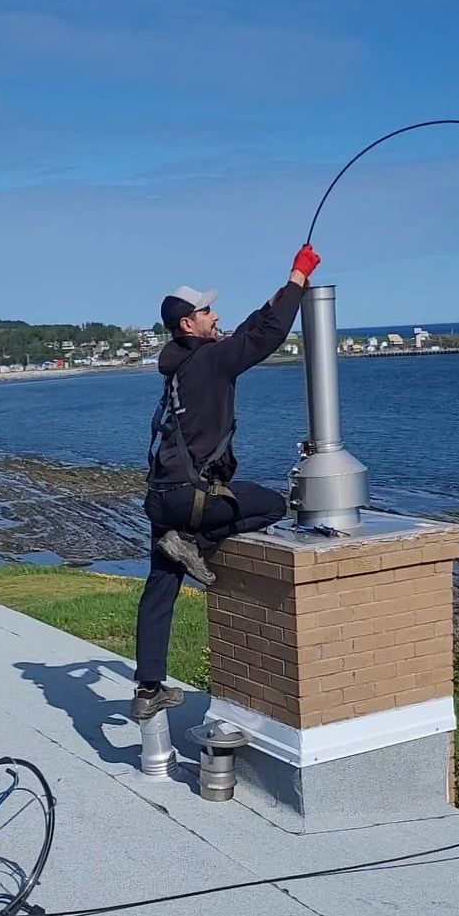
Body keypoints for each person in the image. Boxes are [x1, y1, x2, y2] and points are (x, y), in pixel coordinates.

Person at [131, 243, 321, 721]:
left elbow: (256, 324)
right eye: (206, 311)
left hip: (161, 495)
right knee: (274, 505)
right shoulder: (210, 362)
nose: (215, 316)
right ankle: (193, 537)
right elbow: (269, 335)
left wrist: (282, 292)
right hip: (192, 500)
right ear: (187, 325)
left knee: (160, 586)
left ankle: (148, 688)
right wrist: (299, 276)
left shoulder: (179, 366)